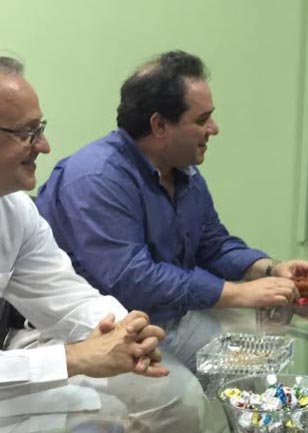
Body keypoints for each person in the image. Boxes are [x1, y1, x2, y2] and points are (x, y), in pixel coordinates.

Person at [35, 50, 308, 371]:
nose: (214, 128)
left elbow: (212, 245)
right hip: (99, 332)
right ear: (159, 125)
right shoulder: (96, 177)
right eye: (201, 120)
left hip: (165, 318)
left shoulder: (184, 172)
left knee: (253, 372)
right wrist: (238, 294)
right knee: (183, 395)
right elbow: (134, 279)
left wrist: (269, 269)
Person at [0, 56, 209, 432]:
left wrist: (126, 330)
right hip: (21, 349)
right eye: (27, 133)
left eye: (40, 129)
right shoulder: (94, 174)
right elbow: (133, 276)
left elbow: (64, 294)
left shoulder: (13, 209)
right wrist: (74, 358)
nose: (44, 145)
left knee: (167, 398)